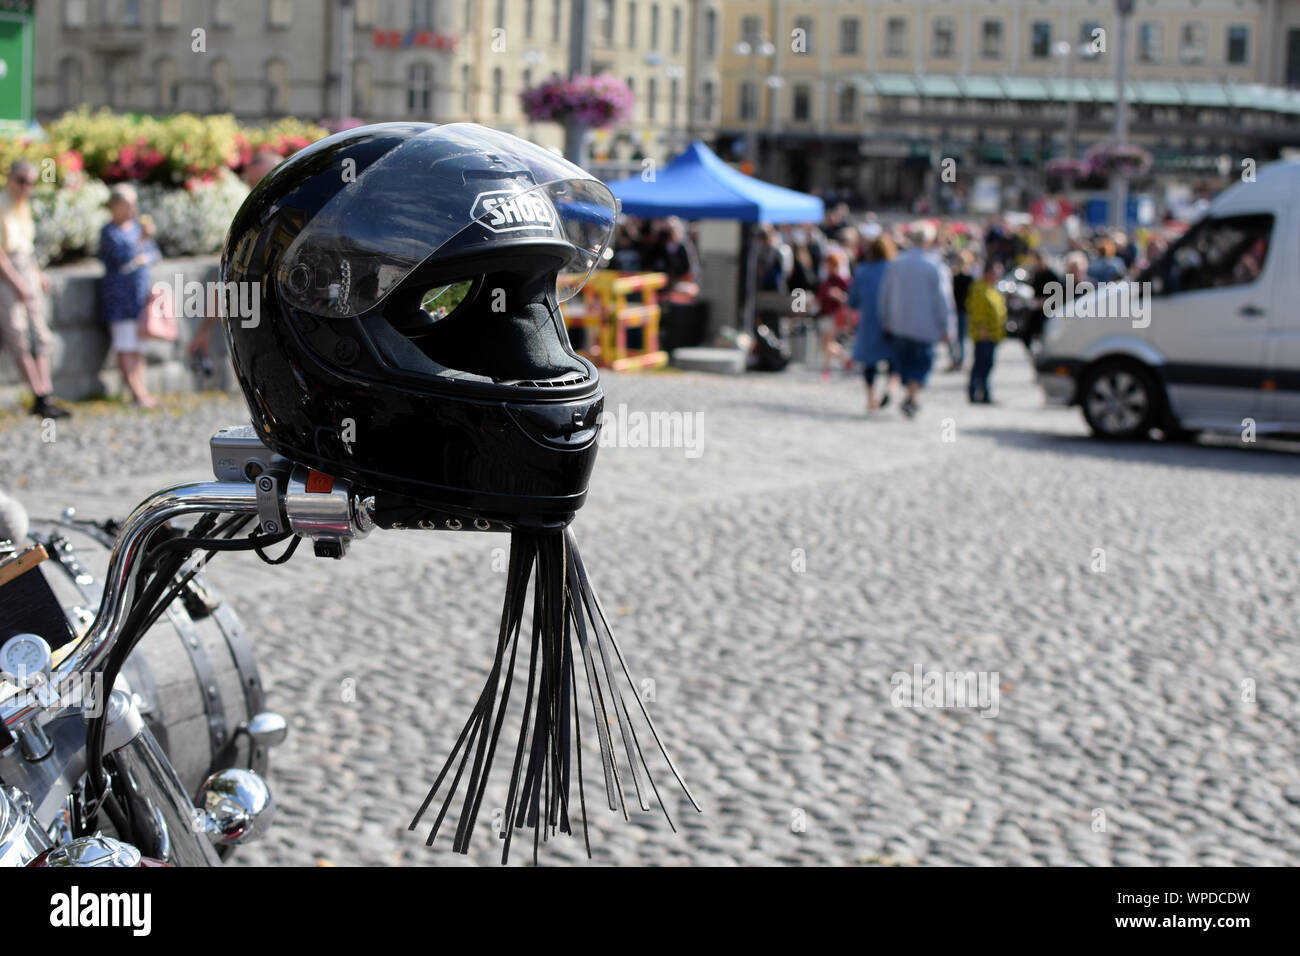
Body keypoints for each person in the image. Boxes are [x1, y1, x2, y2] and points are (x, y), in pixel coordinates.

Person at [189, 150, 283, 361]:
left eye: (265, 181)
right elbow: (228, 278)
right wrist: (204, 329)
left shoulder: (307, 214)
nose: (257, 190)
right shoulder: (248, 223)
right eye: (252, 183)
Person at [0, 159, 69, 418]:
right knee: (17, 334)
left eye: (30, 182)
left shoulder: (23, 206)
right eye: (21, 181)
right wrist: (17, 282)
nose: (26, 187)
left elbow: (26, 247)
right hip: (7, 274)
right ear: (10, 178)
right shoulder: (2, 204)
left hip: (25, 267)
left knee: (40, 333)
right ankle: (38, 394)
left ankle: (47, 393)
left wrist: (37, 273)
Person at [878, 221, 956, 418]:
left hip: (900, 323)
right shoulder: (934, 266)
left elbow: (884, 294)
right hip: (925, 326)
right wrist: (947, 326)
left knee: (904, 362)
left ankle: (909, 396)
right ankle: (912, 397)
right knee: (920, 364)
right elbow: (943, 300)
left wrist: (885, 318)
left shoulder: (897, 262)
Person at [98, 183, 160, 407]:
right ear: (115, 205)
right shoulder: (110, 232)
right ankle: (137, 393)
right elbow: (121, 257)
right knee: (125, 345)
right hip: (119, 298)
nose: (133, 208)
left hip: (139, 296)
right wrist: (142, 242)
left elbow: (154, 253)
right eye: (128, 203)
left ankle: (142, 390)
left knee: (138, 345)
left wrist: (145, 249)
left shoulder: (135, 228)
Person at [849, 233, 897, 412]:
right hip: (892, 319)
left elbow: (853, 299)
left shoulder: (863, 270)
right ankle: (890, 389)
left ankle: (871, 398)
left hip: (869, 320)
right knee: (894, 359)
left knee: (869, 363)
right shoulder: (894, 268)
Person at [966, 260, 1007, 404]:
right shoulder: (980, 289)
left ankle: (984, 392)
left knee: (987, 364)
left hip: (993, 334)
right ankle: (977, 392)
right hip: (984, 334)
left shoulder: (992, 288)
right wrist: (981, 329)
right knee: (981, 365)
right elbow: (977, 312)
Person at [815, 248, 851, 381]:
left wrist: (838, 295)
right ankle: (843, 359)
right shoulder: (826, 279)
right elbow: (821, 296)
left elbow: (848, 297)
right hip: (825, 312)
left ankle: (827, 369)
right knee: (826, 344)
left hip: (834, 313)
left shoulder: (841, 280)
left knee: (828, 343)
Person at [946, 249, 976, 371]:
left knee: (961, 337)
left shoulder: (969, 277)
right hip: (956, 309)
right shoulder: (955, 276)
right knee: (955, 336)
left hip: (962, 309)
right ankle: (956, 360)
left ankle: (960, 360)